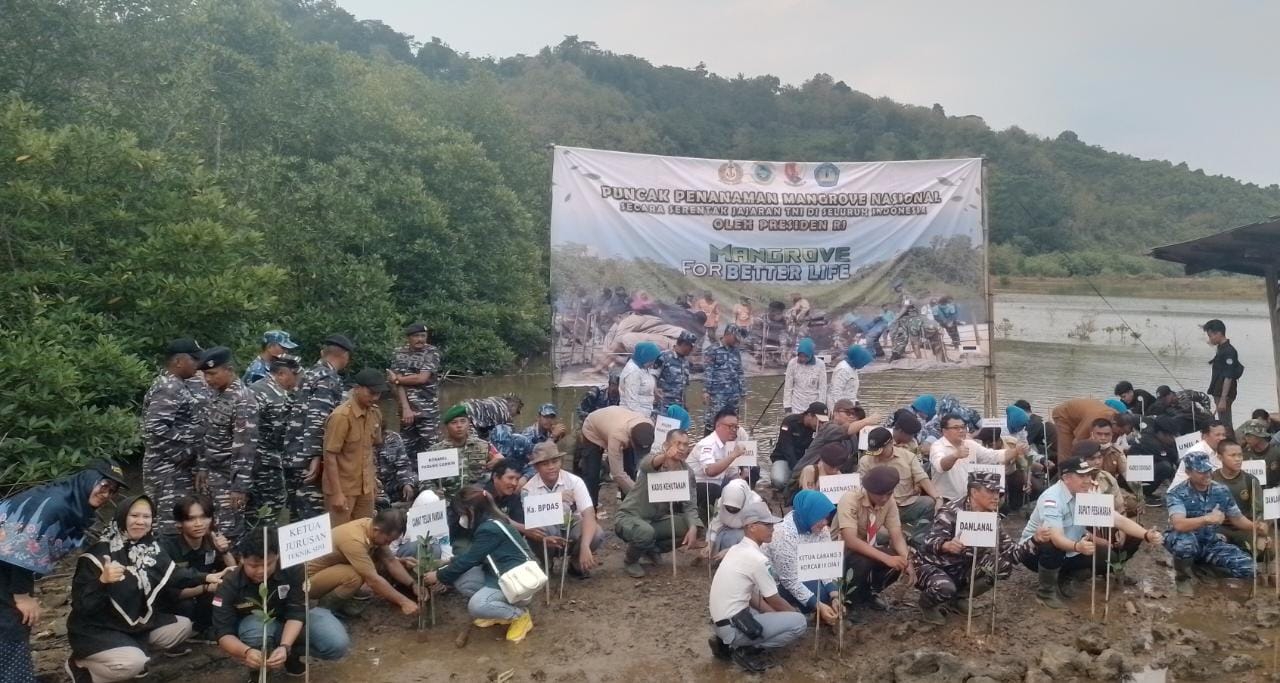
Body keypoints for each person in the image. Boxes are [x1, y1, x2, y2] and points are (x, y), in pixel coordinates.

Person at [0, 461, 126, 682]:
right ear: (88, 479)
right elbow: (21, 550)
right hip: (8, 566)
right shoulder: (56, 504)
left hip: (7, 566)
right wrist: (22, 596)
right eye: (104, 485)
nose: (106, 494)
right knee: (14, 622)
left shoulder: (72, 500)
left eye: (112, 491)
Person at [64, 495, 203, 683]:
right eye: (134, 516)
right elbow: (83, 607)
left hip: (135, 623)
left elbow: (174, 575)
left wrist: (208, 578)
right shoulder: (96, 555)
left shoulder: (150, 548)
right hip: (97, 628)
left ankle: (132, 650)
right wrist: (102, 581)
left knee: (182, 626)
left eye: (146, 516)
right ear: (122, 517)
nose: (140, 521)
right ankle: (81, 666)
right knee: (132, 664)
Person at [1020, 457, 1163, 608]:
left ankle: (1067, 576)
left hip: (1071, 548)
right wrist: (1077, 546)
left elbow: (1118, 520)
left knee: (1108, 557)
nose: (1088, 480)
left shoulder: (1087, 493)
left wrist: (1146, 534)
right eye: (1082, 476)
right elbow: (1056, 538)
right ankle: (1046, 593)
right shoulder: (1052, 499)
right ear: (1066, 478)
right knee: (1049, 542)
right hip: (1034, 552)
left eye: (1089, 475)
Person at [212, 531, 349, 677]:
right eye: (254, 565)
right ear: (241, 559)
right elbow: (223, 633)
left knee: (336, 643)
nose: (261, 571)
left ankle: (290, 656)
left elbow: (297, 612)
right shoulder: (229, 584)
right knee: (254, 631)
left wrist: (285, 646)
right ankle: (259, 670)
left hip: (295, 622)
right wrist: (247, 652)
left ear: (277, 556)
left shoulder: (294, 569)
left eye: (268, 564)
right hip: (257, 629)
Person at [424, 486, 540, 643]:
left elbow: (470, 559)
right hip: (505, 574)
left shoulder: (488, 529)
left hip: (518, 583)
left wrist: (438, 575)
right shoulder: (492, 521)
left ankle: (519, 616)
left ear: (471, 510)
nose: (461, 517)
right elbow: (474, 554)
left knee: (477, 606)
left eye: (462, 513)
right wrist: (448, 562)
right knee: (464, 580)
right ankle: (497, 611)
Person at [914, 472, 1027, 625]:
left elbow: (1010, 552)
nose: (996, 497)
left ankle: (957, 599)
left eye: (998, 492)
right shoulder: (951, 511)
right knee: (945, 587)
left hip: (964, 567)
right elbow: (929, 543)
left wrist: (1035, 541)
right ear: (974, 492)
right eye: (990, 491)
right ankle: (927, 605)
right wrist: (946, 545)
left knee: (1002, 566)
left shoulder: (992, 516)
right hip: (935, 566)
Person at [707, 503, 807, 673]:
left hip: (721, 623)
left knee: (762, 610)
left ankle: (725, 643)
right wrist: (793, 613)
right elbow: (774, 599)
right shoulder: (757, 559)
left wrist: (775, 615)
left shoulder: (736, 549)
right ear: (752, 527)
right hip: (733, 626)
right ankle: (746, 650)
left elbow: (752, 596)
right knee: (799, 623)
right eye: (767, 525)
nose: (772, 529)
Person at [1166, 452, 1264, 595]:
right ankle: (1183, 578)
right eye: (1201, 471)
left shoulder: (1221, 490)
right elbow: (1179, 525)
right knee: (1185, 543)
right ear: (1188, 472)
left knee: (1248, 567)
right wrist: (1206, 519)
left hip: (1210, 541)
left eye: (1208, 470)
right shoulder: (1176, 493)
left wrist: (1254, 526)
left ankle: (1205, 570)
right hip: (1184, 539)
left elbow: (1237, 518)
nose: (1207, 474)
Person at [616, 430, 703, 578]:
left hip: (656, 520)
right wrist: (665, 456)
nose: (682, 448)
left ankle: (651, 549)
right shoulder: (654, 461)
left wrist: (693, 527)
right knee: (645, 532)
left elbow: (690, 505)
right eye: (678, 444)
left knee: (693, 526)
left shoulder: (687, 472)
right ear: (666, 445)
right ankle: (630, 561)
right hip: (630, 517)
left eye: (686, 444)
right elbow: (645, 465)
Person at [284, 334, 354, 521]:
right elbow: (318, 418)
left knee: (297, 518)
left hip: (293, 454)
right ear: (345, 356)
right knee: (312, 520)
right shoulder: (328, 378)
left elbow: (288, 411)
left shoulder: (309, 374)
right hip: (308, 460)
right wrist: (315, 456)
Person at [142, 338, 206, 535]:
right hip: (168, 471)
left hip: (175, 470)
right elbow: (155, 428)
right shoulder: (169, 387)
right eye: (193, 359)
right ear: (178, 361)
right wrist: (184, 454)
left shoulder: (178, 384)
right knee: (169, 527)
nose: (198, 364)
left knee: (180, 523)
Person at [194, 347, 259, 542]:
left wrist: (239, 487)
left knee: (228, 534)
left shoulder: (243, 400)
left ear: (229, 370)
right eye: (205, 374)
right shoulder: (215, 395)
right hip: (211, 477)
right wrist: (202, 467)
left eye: (213, 374)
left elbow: (245, 448)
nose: (208, 379)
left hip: (229, 480)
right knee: (207, 530)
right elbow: (206, 434)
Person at [307, 509, 420, 614]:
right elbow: (373, 580)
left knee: (377, 563)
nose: (388, 544)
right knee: (354, 576)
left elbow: (390, 561)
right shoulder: (354, 540)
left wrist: (413, 584)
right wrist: (404, 602)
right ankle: (324, 611)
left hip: (325, 572)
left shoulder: (371, 527)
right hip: (306, 582)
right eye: (387, 540)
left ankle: (342, 601)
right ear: (376, 530)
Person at [159, 495, 234, 642]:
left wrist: (225, 551)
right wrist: (205, 588)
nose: (199, 524)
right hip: (175, 603)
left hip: (203, 600)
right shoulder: (167, 547)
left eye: (204, 517)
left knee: (221, 594)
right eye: (191, 519)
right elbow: (168, 593)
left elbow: (233, 572)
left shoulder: (212, 541)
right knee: (185, 604)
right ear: (179, 523)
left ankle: (205, 629)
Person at [521, 443, 604, 578]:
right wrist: (556, 499)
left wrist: (585, 546)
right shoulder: (528, 489)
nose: (551, 467)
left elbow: (589, 514)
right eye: (545, 464)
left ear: (561, 461)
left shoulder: (574, 481)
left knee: (597, 532)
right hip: (546, 534)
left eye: (555, 461)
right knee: (537, 530)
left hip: (571, 527)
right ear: (536, 467)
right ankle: (546, 562)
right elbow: (531, 523)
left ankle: (576, 562)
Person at [836, 466, 911, 616]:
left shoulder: (889, 502)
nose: (884, 499)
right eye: (879, 495)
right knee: (863, 561)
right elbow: (850, 540)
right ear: (868, 490)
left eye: (888, 494)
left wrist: (906, 560)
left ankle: (867, 593)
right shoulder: (850, 499)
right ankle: (850, 600)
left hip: (867, 549)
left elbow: (896, 535)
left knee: (897, 560)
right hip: (840, 554)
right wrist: (886, 558)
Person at [321, 368, 387, 526]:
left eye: (378, 394)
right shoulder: (341, 417)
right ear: (357, 388)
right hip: (343, 488)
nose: (375, 397)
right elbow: (330, 456)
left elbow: (371, 449)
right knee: (339, 533)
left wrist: (372, 482)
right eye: (371, 393)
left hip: (365, 488)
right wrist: (337, 493)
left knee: (364, 530)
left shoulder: (375, 413)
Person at [765, 491, 842, 623]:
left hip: (807, 572)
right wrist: (817, 604)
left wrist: (835, 595)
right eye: (820, 517)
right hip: (780, 582)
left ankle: (817, 608)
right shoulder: (782, 535)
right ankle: (801, 611)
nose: (825, 522)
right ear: (809, 513)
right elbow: (790, 580)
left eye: (827, 518)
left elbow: (826, 564)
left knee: (829, 591)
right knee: (820, 595)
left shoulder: (822, 530)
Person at [858, 427, 942, 537]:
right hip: (879, 508)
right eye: (874, 450)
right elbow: (863, 489)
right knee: (881, 536)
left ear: (891, 443)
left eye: (880, 450)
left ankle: (914, 537)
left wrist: (937, 498)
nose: (876, 454)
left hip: (905, 504)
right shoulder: (865, 461)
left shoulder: (908, 457)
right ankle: (896, 535)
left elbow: (922, 478)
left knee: (928, 503)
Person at [247, 355, 299, 529]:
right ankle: (263, 541)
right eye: (294, 375)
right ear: (282, 374)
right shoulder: (275, 396)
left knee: (252, 507)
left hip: (248, 460)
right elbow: (280, 434)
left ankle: (253, 538)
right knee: (273, 504)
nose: (297, 380)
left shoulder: (254, 388)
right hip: (265, 462)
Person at [929, 414, 1025, 502]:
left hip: (969, 497)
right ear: (944, 431)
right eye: (956, 428)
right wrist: (955, 456)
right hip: (946, 500)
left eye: (963, 427)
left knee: (995, 478)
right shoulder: (937, 446)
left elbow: (992, 456)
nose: (961, 430)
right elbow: (941, 466)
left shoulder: (970, 444)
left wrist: (1016, 451)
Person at [577, 405, 654, 505]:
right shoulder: (617, 436)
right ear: (631, 439)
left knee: (630, 469)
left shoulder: (648, 426)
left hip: (615, 422)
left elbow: (644, 461)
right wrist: (639, 494)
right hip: (593, 428)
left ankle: (629, 506)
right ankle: (590, 507)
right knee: (592, 474)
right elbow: (617, 474)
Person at [390, 322, 443, 455]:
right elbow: (396, 384)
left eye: (423, 336)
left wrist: (398, 379)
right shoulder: (398, 353)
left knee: (432, 449)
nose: (420, 339)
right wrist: (405, 408)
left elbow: (421, 378)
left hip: (427, 410)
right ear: (408, 337)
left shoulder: (431, 352)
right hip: (406, 410)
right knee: (407, 448)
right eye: (416, 336)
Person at [428, 404, 499, 501]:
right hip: (447, 501)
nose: (459, 426)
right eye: (454, 422)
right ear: (446, 427)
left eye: (463, 421)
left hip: (478, 501)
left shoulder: (484, 446)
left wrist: (498, 462)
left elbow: (501, 464)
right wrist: (433, 491)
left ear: (469, 423)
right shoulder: (435, 451)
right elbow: (425, 480)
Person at [689, 408, 751, 518]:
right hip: (695, 486)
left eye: (736, 427)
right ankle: (706, 516)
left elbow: (731, 472)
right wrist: (733, 455)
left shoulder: (727, 443)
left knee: (741, 485)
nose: (734, 430)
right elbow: (710, 471)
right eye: (730, 426)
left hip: (716, 483)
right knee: (717, 489)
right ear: (718, 426)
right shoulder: (707, 444)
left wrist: (742, 485)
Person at [1212, 439, 1268, 559]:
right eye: (1232, 455)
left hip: (1245, 528)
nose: (1238, 459)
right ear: (1220, 457)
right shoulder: (1211, 480)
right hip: (1220, 528)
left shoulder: (1250, 480)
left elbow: (1259, 511)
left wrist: (1261, 532)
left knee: (1267, 551)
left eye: (1240, 455)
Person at [769, 402, 828, 492]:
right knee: (779, 480)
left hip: (805, 460)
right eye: (819, 422)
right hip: (784, 458)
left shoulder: (820, 430)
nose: (821, 425)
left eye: (824, 423)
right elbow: (787, 448)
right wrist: (798, 471)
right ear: (809, 415)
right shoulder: (789, 422)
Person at [1128, 416, 1183, 505]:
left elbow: (1174, 458)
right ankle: (1143, 494)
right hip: (1134, 477)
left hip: (1147, 471)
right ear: (1161, 433)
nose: (1173, 439)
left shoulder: (1164, 441)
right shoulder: (1149, 442)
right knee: (1166, 467)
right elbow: (1171, 466)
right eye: (1171, 436)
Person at [705, 479, 764, 561]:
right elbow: (715, 524)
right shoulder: (722, 502)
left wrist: (731, 550)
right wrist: (710, 544)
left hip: (746, 539)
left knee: (733, 536)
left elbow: (757, 537)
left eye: (735, 508)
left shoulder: (755, 505)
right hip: (727, 533)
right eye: (728, 508)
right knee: (720, 536)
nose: (731, 510)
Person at [1050, 398, 1120, 466]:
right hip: (1063, 416)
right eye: (1119, 432)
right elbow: (1077, 443)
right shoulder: (1093, 419)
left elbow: (1113, 440)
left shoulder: (1118, 417)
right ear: (1114, 423)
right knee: (1066, 450)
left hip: (1080, 416)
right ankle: (1065, 471)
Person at [703, 325, 747, 431]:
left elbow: (739, 372)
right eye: (735, 338)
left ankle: (730, 441)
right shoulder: (713, 350)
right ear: (728, 334)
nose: (736, 341)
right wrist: (706, 391)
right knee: (714, 421)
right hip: (718, 395)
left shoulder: (736, 351)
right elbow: (708, 372)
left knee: (732, 422)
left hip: (733, 395)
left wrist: (743, 391)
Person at [1204, 318, 1243, 436]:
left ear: (1219, 333)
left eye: (1210, 336)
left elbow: (1228, 376)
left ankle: (1230, 443)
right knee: (1223, 421)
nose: (1210, 339)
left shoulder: (1229, 351)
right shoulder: (1221, 348)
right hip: (1218, 391)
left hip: (1223, 393)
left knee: (1225, 424)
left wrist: (1223, 399)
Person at [782, 337, 827, 416]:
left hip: (813, 408)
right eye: (800, 356)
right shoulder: (792, 363)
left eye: (805, 356)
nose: (802, 359)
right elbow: (788, 387)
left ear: (811, 354)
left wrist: (820, 407)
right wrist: (787, 407)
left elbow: (822, 388)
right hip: (796, 407)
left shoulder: (820, 365)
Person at [654, 331, 697, 413]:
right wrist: (655, 391)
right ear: (684, 344)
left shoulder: (686, 362)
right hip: (664, 407)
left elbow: (683, 387)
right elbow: (653, 376)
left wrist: (685, 406)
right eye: (691, 347)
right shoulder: (664, 357)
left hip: (679, 408)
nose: (692, 350)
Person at [375, 429, 416, 510]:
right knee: (381, 503)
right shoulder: (363, 442)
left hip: (394, 482)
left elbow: (403, 464)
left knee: (417, 486)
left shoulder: (393, 438)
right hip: (375, 486)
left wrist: (407, 483)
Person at [619, 341, 660, 415]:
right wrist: (642, 418)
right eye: (652, 360)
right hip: (633, 415)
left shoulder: (643, 366)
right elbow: (632, 403)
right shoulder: (633, 372)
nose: (653, 363)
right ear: (646, 358)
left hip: (645, 411)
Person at [1239, 419, 1280, 487]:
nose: (1246, 438)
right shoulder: (1245, 454)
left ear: (1259, 436)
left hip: (1274, 491)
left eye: (1249, 435)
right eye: (1245, 435)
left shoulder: (1277, 453)